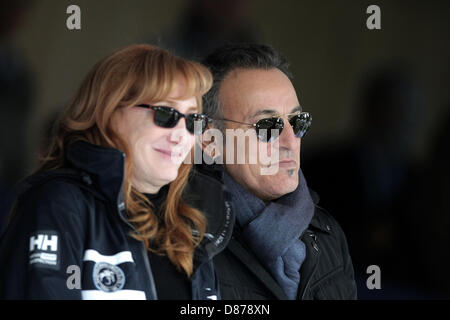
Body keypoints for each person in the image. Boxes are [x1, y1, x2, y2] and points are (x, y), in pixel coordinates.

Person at [0, 44, 234, 300]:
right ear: (109, 110)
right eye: (166, 113)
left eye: (192, 121)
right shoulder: (59, 204)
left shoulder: (192, 226)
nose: (181, 136)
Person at [197, 43, 357, 299]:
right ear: (210, 141)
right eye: (267, 126)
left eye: (298, 121)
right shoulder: (181, 239)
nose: (290, 141)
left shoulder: (328, 234)